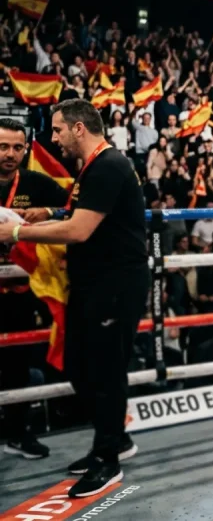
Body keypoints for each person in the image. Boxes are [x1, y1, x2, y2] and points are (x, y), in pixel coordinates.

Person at [0, 99, 149, 498]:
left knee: (104, 369)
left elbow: (79, 230)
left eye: (58, 130)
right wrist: (47, 212)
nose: (54, 138)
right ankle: (114, 440)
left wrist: (14, 234)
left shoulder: (108, 165)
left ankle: (108, 458)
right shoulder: (95, 168)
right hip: (92, 284)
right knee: (81, 365)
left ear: (78, 129)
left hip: (114, 285)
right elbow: (77, 213)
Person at [0, 120, 68, 460]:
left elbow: (75, 208)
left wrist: (48, 212)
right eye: (2, 147)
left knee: (18, 363)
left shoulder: (37, 183)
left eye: (16, 148)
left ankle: (17, 432)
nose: (9, 154)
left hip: (20, 292)